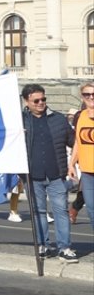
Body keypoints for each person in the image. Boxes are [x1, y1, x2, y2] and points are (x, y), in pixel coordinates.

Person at [21, 84, 77, 263]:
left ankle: (65, 248)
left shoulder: (59, 119)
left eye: (43, 99)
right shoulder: (20, 121)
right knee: (38, 212)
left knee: (61, 211)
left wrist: (73, 164)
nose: (41, 103)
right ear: (26, 101)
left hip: (56, 175)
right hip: (32, 176)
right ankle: (43, 245)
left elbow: (75, 142)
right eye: (36, 100)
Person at [68, 82, 94, 247]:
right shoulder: (80, 116)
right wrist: (71, 164)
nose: (91, 97)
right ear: (82, 97)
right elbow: (78, 141)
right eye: (87, 94)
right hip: (87, 171)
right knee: (91, 209)